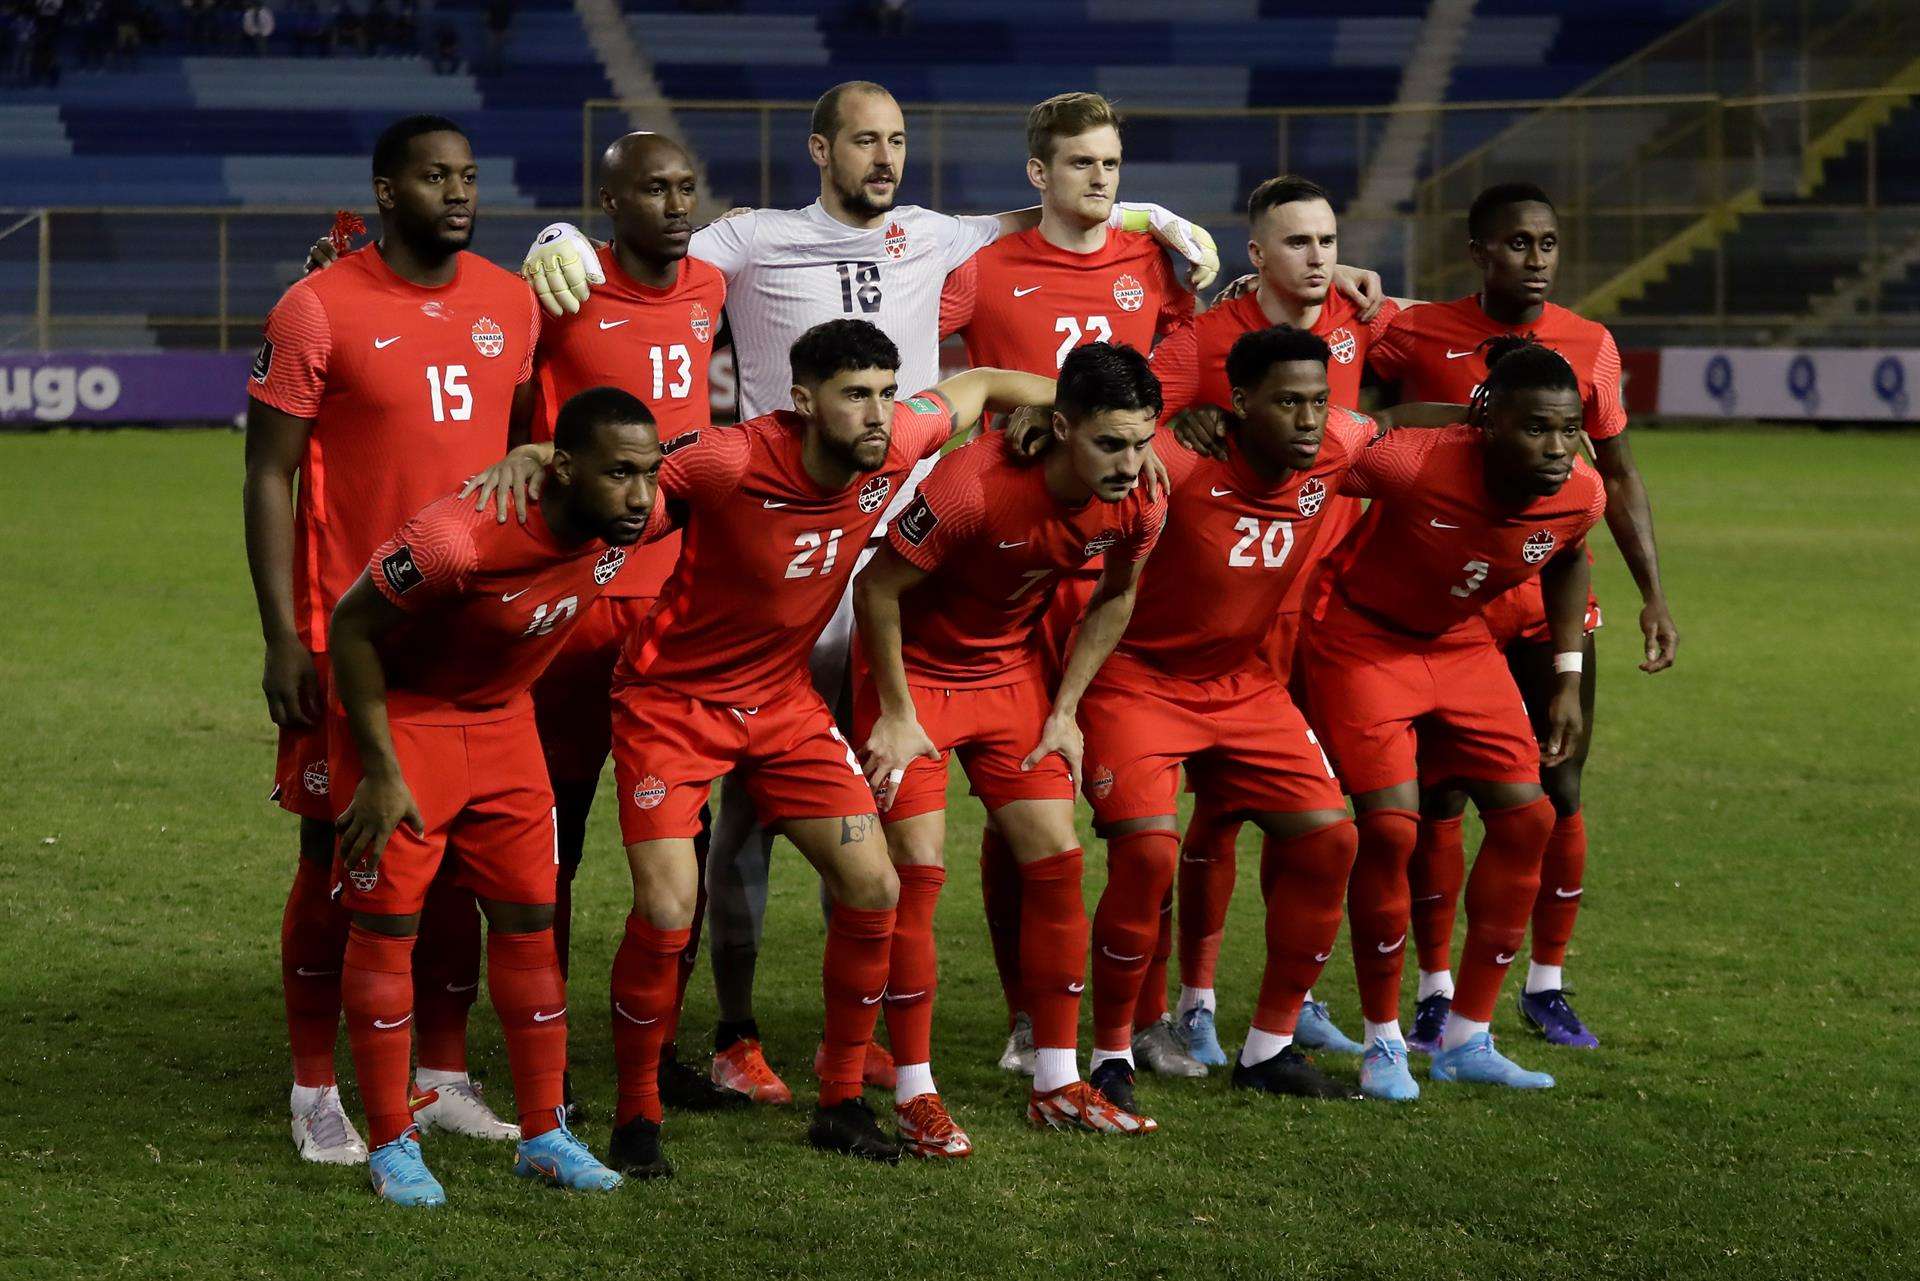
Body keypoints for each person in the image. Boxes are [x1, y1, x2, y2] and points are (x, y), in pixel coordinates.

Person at [520, 79, 1229, 1104]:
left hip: (901, 560)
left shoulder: (936, 234)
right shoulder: (753, 239)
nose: (883, 158)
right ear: (821, 149)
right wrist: (558, 231)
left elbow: (1050, 213)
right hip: (772, 556)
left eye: (896, 140)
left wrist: (1142, 226)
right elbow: (646, 250)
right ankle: (733, 1030)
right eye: (863, 141)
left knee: (902, 825)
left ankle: (897, 1053)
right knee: (746, 815)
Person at [467, 319, 1057, 1175]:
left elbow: (995, 379)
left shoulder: (900, 440)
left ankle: (843, 1100)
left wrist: (1056, 414)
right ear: (802, 399)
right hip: (672, 701)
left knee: (874, 882)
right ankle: (638, 1115)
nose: (880, 414)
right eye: (857, 395)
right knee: (669, 907)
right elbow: (611, 484)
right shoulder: (727, 459)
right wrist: (535, 455)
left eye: (889, 393)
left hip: (780, 702)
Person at [244, 114, 539, 1165]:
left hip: (470, 649)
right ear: (384, 190)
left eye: (466, 176)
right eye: (432, 177)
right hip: (346, 637)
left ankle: (443, 1074)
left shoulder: (512, 305)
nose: (456, 193)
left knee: (459, 862)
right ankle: (314, 1088)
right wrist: (286, 636)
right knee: (337, 850)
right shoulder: (316, 308)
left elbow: (525, 458)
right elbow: (266, 473)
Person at [325, 388, 667, 1205]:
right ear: (563, 468)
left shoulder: (635, 510)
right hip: (408, 731)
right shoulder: (455, 540)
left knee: (529, 925)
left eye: (650, 475)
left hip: (509, 730)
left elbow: (719, 455)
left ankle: (544, 1133)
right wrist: (377, 768)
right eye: (620, 474)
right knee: (387, 931)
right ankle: (390, 1144)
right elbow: (350, 627)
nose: (642, 496)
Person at [1366, 183, 1678, 1053]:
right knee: (1439, 797)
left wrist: (1653, 591)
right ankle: (1433, 988)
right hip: (1442, 615)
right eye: (1516, 243)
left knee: (1559, 787)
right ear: (1478, 252)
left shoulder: (1591, 345)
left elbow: (1614, 474)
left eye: (1547, 243)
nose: (1535, 259)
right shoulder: (1416, 330)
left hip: (1549, 609)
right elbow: (1336, 374)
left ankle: (1547, 982)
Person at [932, 92, 1201, 1078]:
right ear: (1039, 173)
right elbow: (919, 356)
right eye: (1082, 163)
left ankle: (1153, 1011)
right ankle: (1025, 1013)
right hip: (1007, 573)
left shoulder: (1153, 267)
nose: (1102, 181)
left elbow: (1202, 356)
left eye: (1114, 165)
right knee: (1023, 810)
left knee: (1145, 796)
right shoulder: (985, 270)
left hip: (1120, 568)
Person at [854, 342, 1164, 1153]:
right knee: (916, 873)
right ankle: (916, 1093)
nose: (1131, 463)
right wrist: (893, 711)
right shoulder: (971, 484)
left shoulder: (1139, 496)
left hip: (1008, 676)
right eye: (1110, 444)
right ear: (1062, 428)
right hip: (913, 679)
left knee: (1058, 859)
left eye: (1143, 440)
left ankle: (1057, 1079)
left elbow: (1118, 594)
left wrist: (1066, 710)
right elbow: (875, 587)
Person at [1081, 326, 1400, 1105]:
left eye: (1318, 402)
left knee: (1332, 838)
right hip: (1137, 681)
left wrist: (1488, 412)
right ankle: (1111, 1053)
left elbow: (1398, 428)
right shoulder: (1176, 459)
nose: (1307, 419)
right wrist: (1033, 420)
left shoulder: (1337, 447)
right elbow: (1087, 451)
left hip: (1242, 685)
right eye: (1287, 402)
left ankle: (1269, 1047)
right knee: (1148, 857)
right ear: (1240, 402)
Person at [1299, 338, 1606, 1100]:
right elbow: (1315, 440)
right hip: (1362, 639)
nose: (1558, 447)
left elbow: (1568, 556)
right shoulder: (1414, 461)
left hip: (1461, 643)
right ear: (1488, 421)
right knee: (1394, 828)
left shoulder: (1582, 491)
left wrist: (1566, 678)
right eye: (1538, 428)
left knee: (1529, 817)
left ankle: (1469, 1035)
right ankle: (1383, 1043)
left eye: (1569, 430)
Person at [1150, 174, 1401, 1067]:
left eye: (1329, 240)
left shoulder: (1358, 311)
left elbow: (1431, 355)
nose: (1319, 257)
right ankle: (1198, 999)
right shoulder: (1208, 339)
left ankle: (1294, 999)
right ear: (1255, 254)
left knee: (1312, 807)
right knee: (1218, 811)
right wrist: (1192, 422)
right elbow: (1136, 412)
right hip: (1232, 607)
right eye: (1298, 243)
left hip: (1325, 600)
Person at [520, 132, 739, 1115]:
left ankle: (657, 1050)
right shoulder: (558, 288)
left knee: (682, 842)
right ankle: (548, 1053)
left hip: (673, 609)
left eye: (687, 186)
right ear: (610, 202)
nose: (677, 203)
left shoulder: (710, 288)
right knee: (552, 839)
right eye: (654, 188)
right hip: (569, 606)